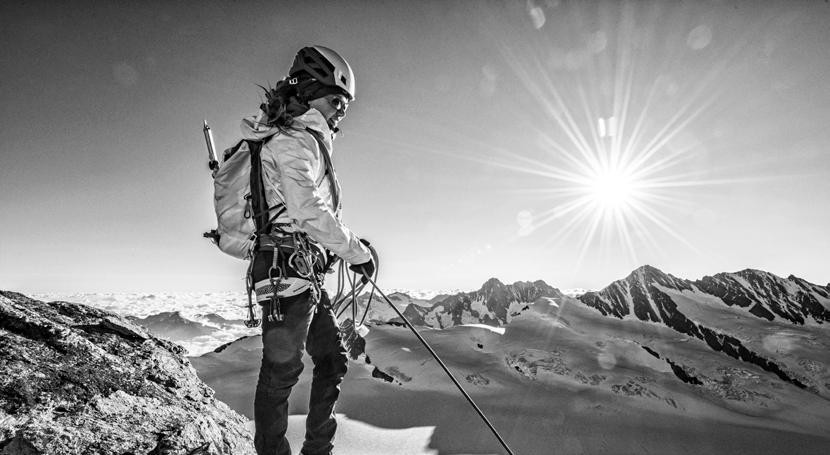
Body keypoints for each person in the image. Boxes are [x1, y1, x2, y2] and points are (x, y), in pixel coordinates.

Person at [241, 45, 376, 455]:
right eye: (337, 101)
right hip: (286, 269)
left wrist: (340, 248)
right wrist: (356, 253)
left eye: (345, 106)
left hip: (296, 269)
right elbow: (307, 210)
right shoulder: (293, 139)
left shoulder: (301, 138)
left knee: (331, 359)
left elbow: (303, 213)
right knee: (282, 372)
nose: (341, 112)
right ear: (311, 92)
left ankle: (317, 451)